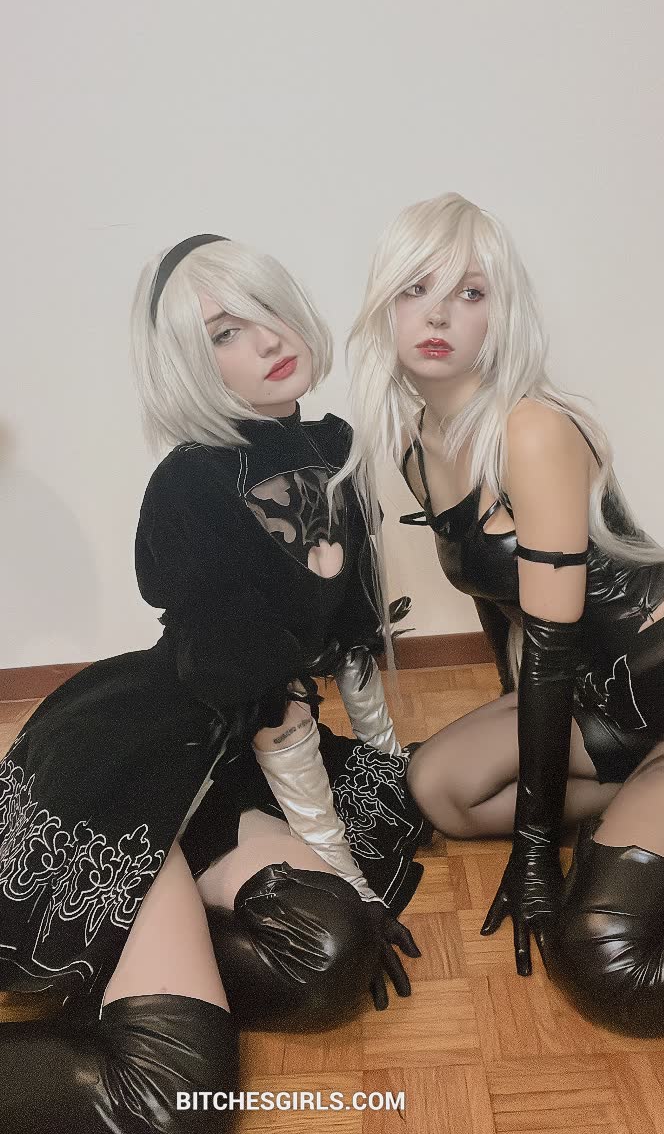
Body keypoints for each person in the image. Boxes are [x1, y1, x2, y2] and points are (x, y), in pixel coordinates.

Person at [0, 235, 425, 1133]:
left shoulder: (335, 449)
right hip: (137, 762)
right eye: (226, 332)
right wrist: (348, 875)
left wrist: (388, 770)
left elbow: (354, 635)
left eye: (268, 309)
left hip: (227, 771)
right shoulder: (192, 485)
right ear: (190, 364)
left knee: (329, 960)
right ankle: (120, 929)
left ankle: (127, 944)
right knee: (174, 1099)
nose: (268, 339)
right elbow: (276, 706)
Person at [338, 191, 664, 1037]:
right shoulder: (416, 441)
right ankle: (659, 807)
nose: (439, 314)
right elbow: (504, 609)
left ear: (500, 314)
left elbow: (548, 645)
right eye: (415, 289)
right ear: (384, 305)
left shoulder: (532, 429)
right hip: (609, 699)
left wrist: (538, 845)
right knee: (439, 789)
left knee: (608, 959)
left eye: (469, 293)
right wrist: (521, 749)